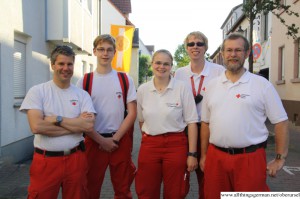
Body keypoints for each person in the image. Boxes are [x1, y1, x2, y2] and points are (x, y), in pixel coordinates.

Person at [200, 33, 289, 199]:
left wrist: (279, 158)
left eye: (238, 50)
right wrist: (204, 155)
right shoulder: (211, 86)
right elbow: (205, 123)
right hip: (216, 158)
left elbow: (281, 122)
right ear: (223, 54)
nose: (233, 54)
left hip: (250, 159)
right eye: (229, 50)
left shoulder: (262, 85)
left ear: (247, 53)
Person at [19, 45, 96, 199]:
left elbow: (88, 125)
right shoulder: (38, 91)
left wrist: (56, 119)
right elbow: (36, 126)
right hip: (46, 162)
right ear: (53, 65)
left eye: (69, 64)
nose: (65, 68)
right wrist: (76, 125)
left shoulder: (82, 95)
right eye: (61, 64)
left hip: (76, 160)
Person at [76, 34, 137, 199]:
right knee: (89, 188)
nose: (105, 53)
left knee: (123, 189)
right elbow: (81, 118)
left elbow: (132, 113)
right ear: (94, 51)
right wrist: (101, 141)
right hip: (93, 141)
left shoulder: (124, 79)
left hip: (120, 140)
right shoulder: (84, 81)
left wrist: (115, 139)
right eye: (101, 49)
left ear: (114, 52)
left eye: (109, 50)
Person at [135, 49, 199, 199]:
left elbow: (191, 122)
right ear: (152, 64)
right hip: (150, 145)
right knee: (146, 190)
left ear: (171, 66)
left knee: (176, 192)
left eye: (166, 64)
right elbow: (141, 120)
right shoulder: (143, 90)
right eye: (158, 62)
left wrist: (192, 154)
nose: (161, 67)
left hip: (176, 145)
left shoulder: (182, 88)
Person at [174, 31, 224, 199]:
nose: (195, 47)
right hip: (185, 130)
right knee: (181, 179)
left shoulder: (218, 71)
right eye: (191, 44)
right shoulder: (179, 73)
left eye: (199, 43)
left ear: (205, 47)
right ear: (186, 48)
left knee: (207, 178)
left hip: (209, 130)